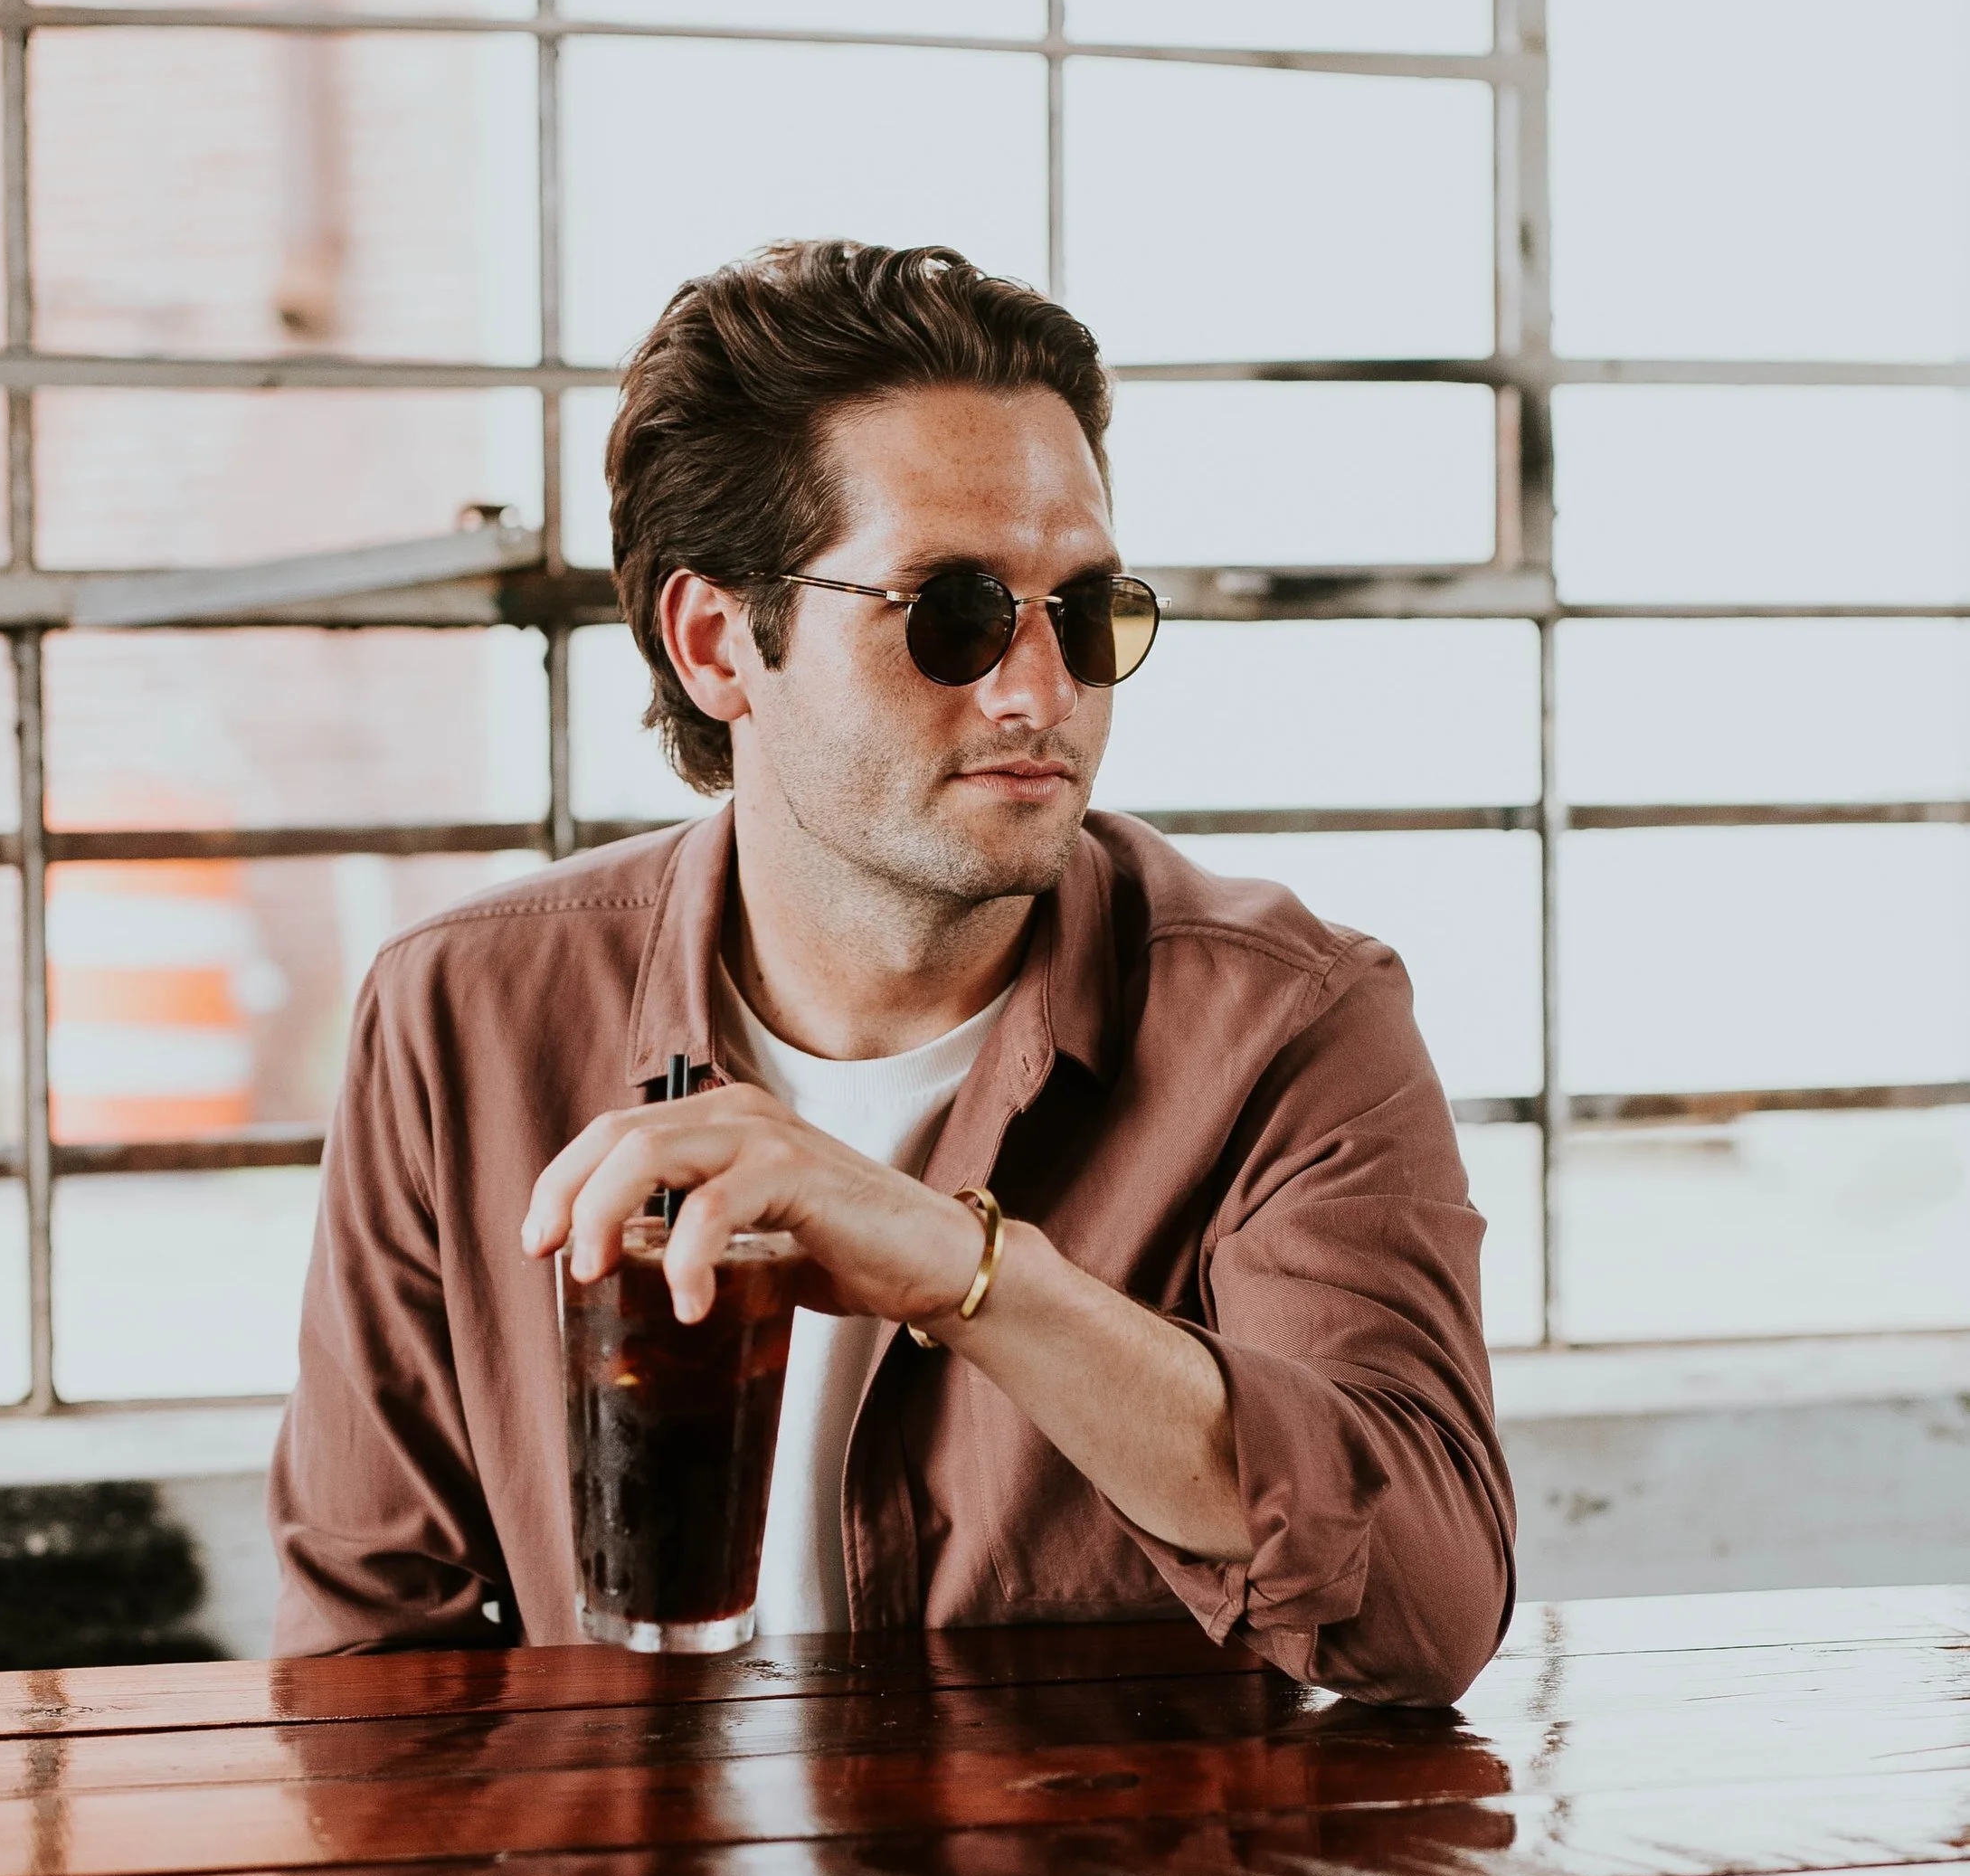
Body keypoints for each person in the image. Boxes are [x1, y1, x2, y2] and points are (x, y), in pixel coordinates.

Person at [269, 238, 1514, 1703]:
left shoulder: (1291, 1022)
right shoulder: (456, 1019)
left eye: (1088, 611)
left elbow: (1428, 1606)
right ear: (720, 641)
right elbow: (365, 1671)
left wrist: (964, 1268)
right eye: (954, 615)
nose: (1042, 692)